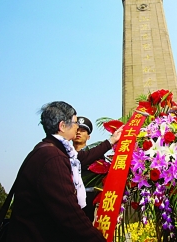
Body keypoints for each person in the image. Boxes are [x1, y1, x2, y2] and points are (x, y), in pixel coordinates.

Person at [7, 101, 122, 242]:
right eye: (75, 122)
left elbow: (83, 157)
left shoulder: (51, 150)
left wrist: (112, 140)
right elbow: (69, 215)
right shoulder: (53, 158)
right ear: (62, 126)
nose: (77, 127)